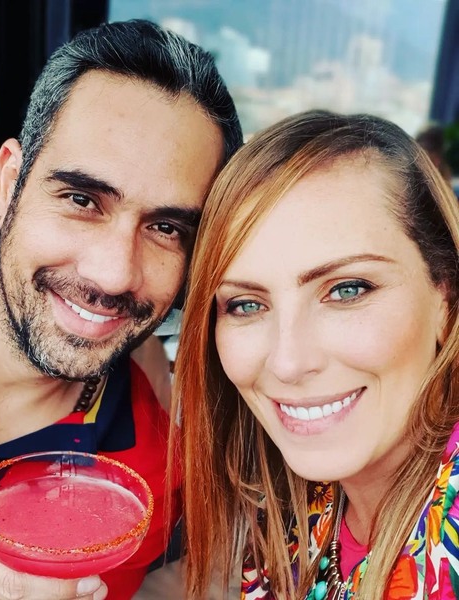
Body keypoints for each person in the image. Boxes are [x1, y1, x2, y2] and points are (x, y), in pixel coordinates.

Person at [0, 19, 242, 600]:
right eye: (82, 199)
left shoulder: (151, 482)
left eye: (166, 228)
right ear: (8, 185)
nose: (113, 274)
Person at [174, 110, 459, 599]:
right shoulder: (287, 498)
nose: (287, 363)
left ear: (445, 300)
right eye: (246, 304)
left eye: (348, 289)